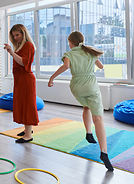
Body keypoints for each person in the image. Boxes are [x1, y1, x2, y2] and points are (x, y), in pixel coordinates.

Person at [48, 31, 113, 171]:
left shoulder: (69, 54)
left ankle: (88, 133)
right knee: (99, 119)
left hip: (77, 87)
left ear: (71, 43)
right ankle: (104, 152)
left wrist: (52, 78)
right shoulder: (90, 52)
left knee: (86, 107)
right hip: (90, 85)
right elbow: (101, 67)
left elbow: (65, 67)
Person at [4, 24, 38, 143]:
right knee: (22, 104)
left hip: (26, 79)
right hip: (20, 79)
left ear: (23, 34)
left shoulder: (28, 45)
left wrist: (11, 53)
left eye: (17, 35)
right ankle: (27, 130)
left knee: (27, 105)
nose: (15, 38)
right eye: (13, 36)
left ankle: (28, 135)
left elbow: (24, 63)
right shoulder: (20, 46)